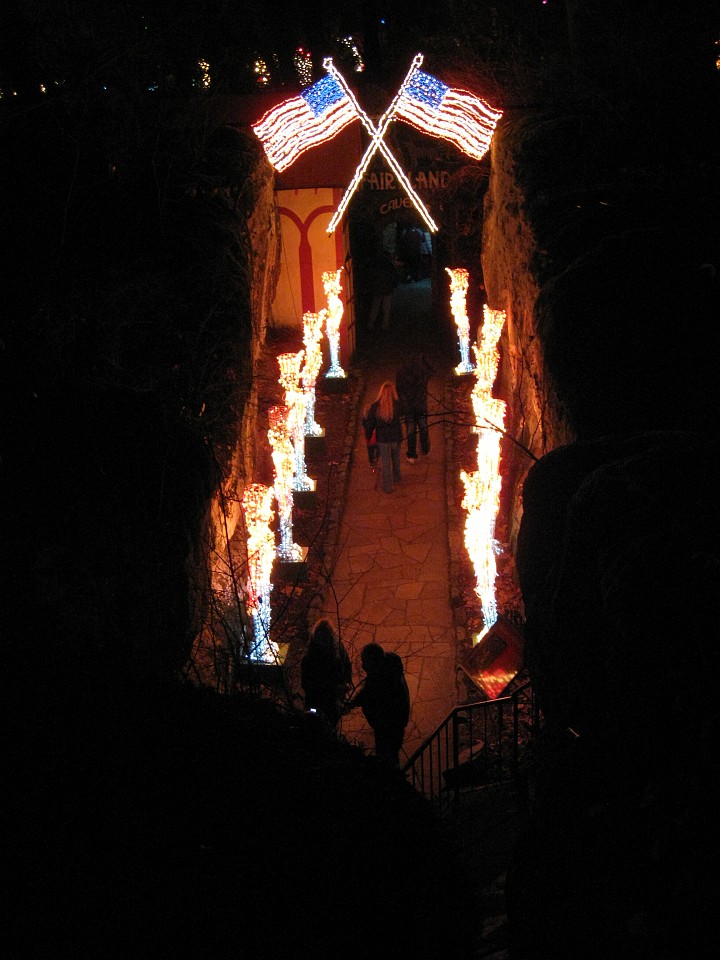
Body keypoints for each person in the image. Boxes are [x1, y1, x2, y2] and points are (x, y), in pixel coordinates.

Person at [345, 643, 410, 767]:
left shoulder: (382, 677)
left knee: (386, 759)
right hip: (391, 724)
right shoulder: (389, 671)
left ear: (373, 660)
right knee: (390, 758)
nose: (363, 665)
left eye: (365, 661)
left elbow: (368, 693)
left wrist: (351, 703)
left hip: (387, 726)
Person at [300, 618, 352, 728]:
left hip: (316, 700)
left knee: (315, 725)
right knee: (330, 724)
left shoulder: (310, 656)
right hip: (332, 699)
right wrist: (345, 685)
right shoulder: (337, 649)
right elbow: (347, 667)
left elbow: (305, 682)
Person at [362, 381, 403, 493]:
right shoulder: (397, 405)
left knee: (385, 462)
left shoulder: (375, 407)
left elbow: (370, 423)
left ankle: (387, 487)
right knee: (396, 458)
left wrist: (368, 435)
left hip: (383, 438)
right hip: (396, 436)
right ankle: (397, 477)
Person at [396, 351, 434, 462]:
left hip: (408, 406)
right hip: (420, 405)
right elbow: (432, 372)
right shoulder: (422, 371)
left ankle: (412, 454)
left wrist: (401, 404)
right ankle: (425, 449)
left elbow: (398, 389)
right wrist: (425, 361)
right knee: (423, 428)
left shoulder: (402, 372)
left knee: (411, 430)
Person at [368, 251, 398, 330]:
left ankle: (371, 323)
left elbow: (372, 276)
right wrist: (393, 285)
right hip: (387, 288)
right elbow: (394, 275)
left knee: (375, 306)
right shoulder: (389, 265)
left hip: (378, 288)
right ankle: (385, 325)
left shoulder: (376, 265)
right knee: (387, 307)